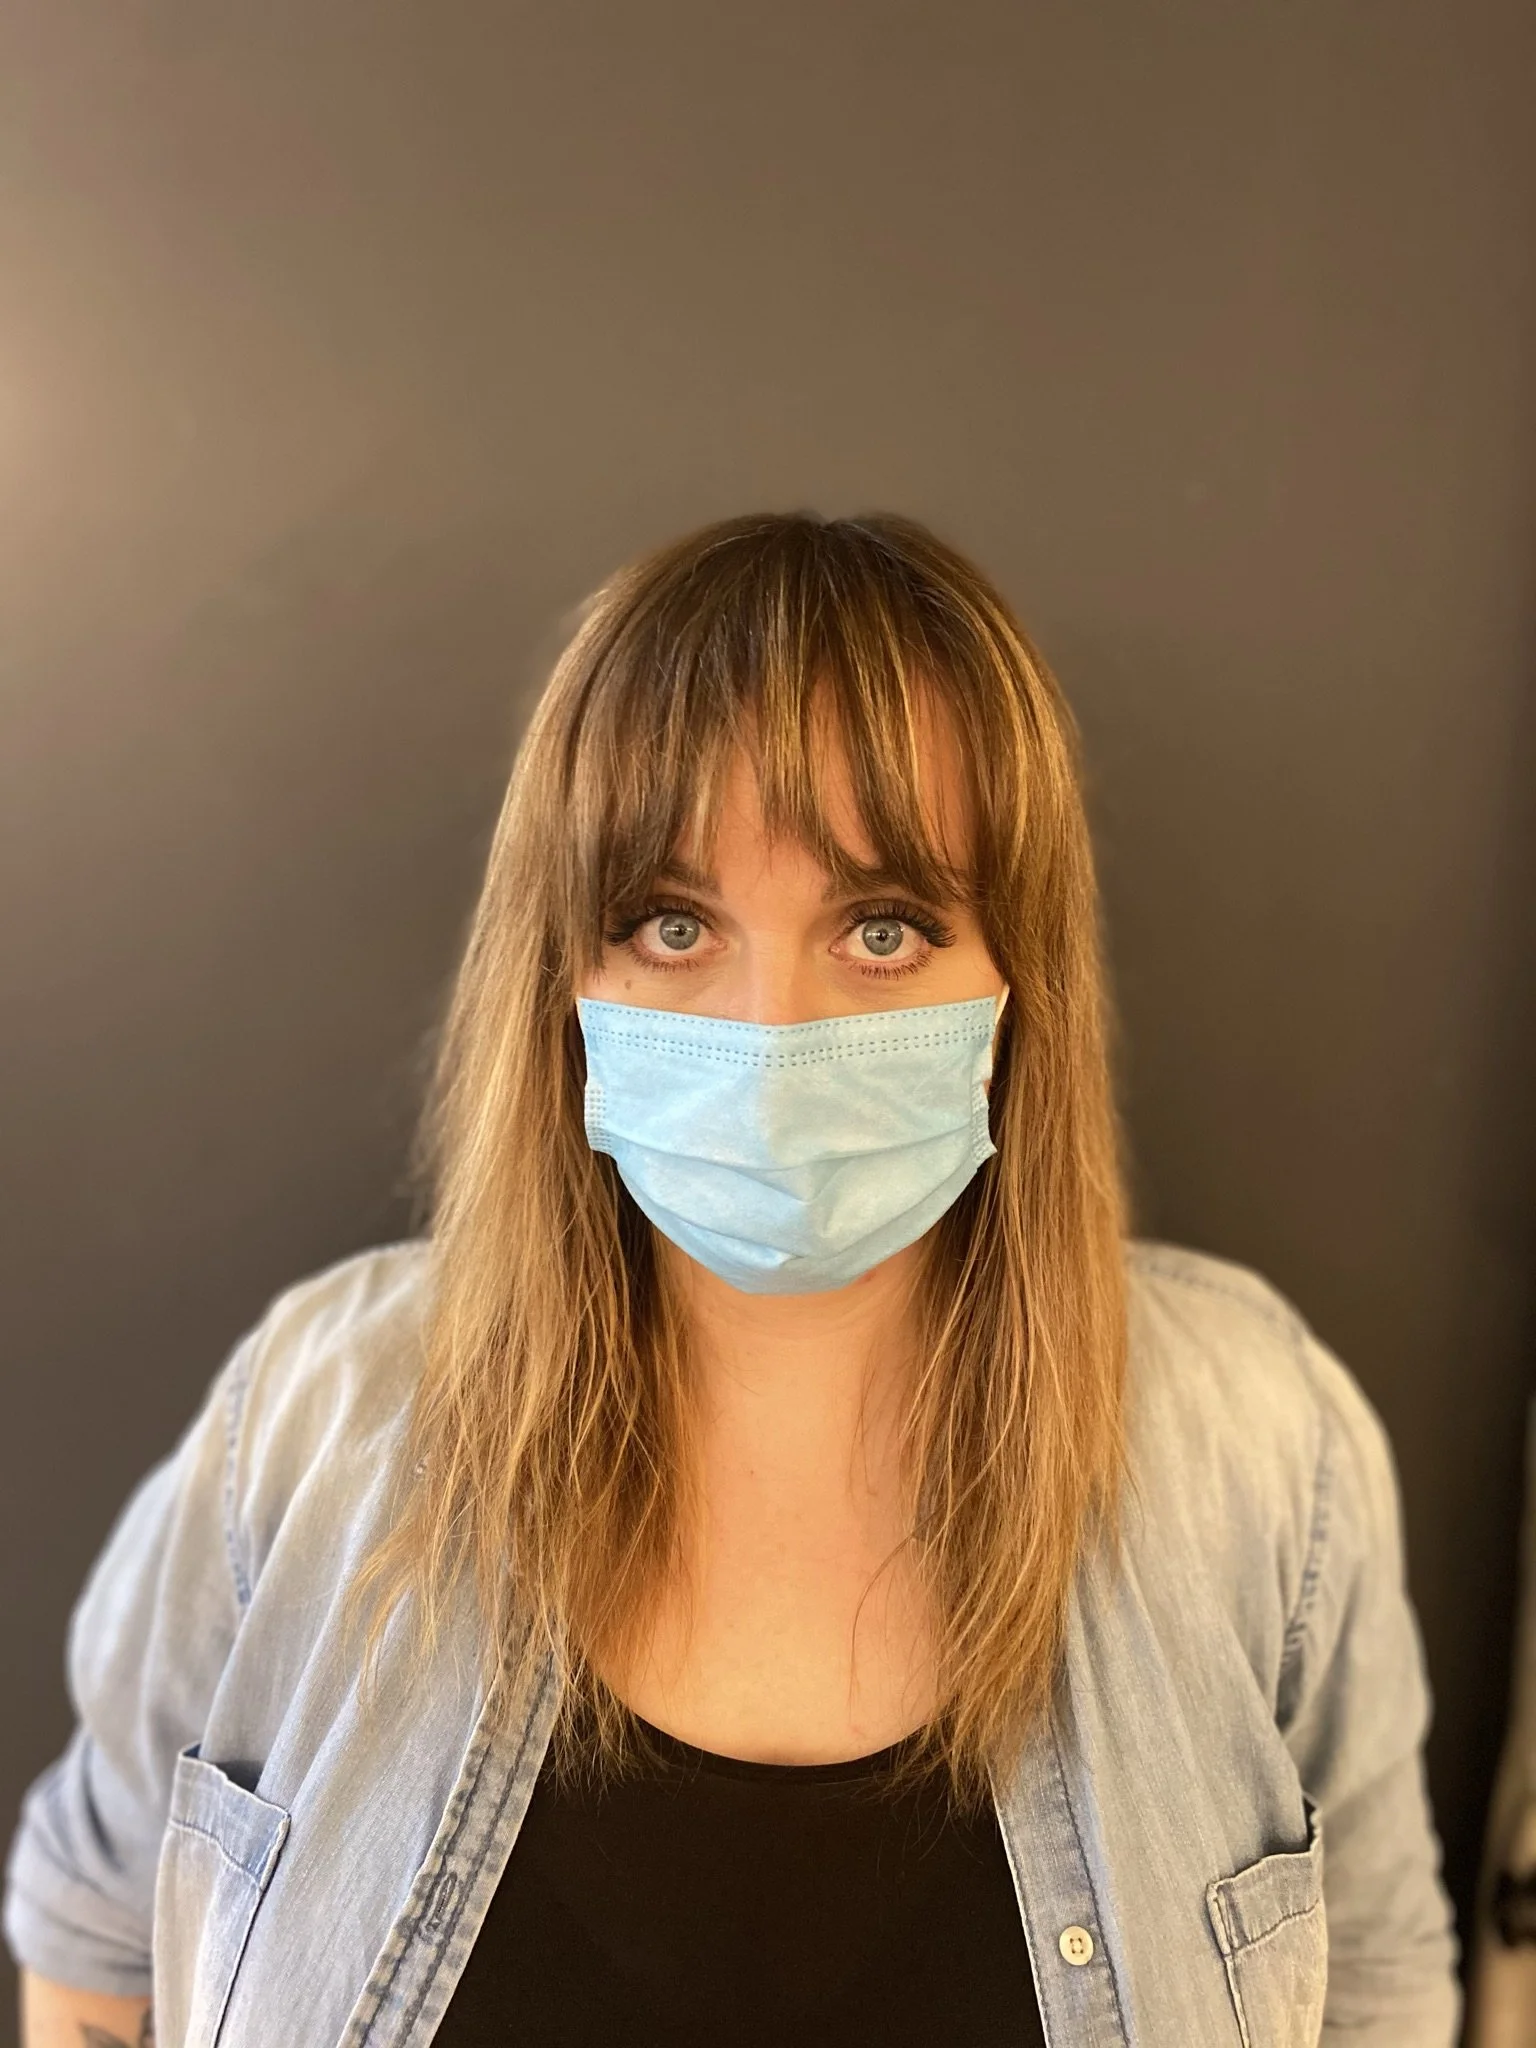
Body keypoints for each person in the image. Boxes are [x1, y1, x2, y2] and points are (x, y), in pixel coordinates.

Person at [5, 512, 1461, 2047]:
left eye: (884, 927)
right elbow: (95, 1947)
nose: (774, 1030)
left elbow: (1378, 1992)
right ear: (565, 971)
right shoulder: (311, 1418)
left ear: (1018, 978)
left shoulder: (1262, 1451)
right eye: (673, 922)